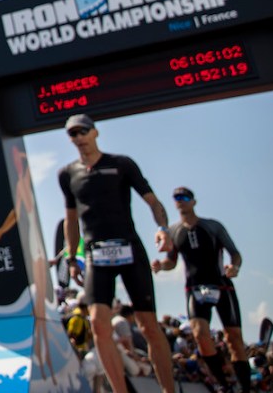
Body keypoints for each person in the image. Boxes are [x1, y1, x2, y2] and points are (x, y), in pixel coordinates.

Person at [58, 113, 176, 393]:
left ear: (95, 133)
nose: (78, 138)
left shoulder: (121, 164)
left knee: (148, 325)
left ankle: (169, 390)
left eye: (83, 131)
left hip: (129, 249)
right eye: (72, 134)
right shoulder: (67, 174)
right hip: (96, 255)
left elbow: (153, 201)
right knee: (99, 326)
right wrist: (71, 257)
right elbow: (71, 219)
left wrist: (163, 228)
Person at [152, 186, 251, 392]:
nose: (180, 200)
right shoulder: (174, 231)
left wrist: (234, 267)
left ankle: (245, 387)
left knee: (234, 338)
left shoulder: (212, 226)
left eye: (185, 197)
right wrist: (161, 266)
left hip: (221, 285)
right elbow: (172, 261)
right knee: (200, 335)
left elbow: (235, 253)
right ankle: (223, 385)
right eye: (176, 197)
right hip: (195, 288)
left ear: (194, 201)